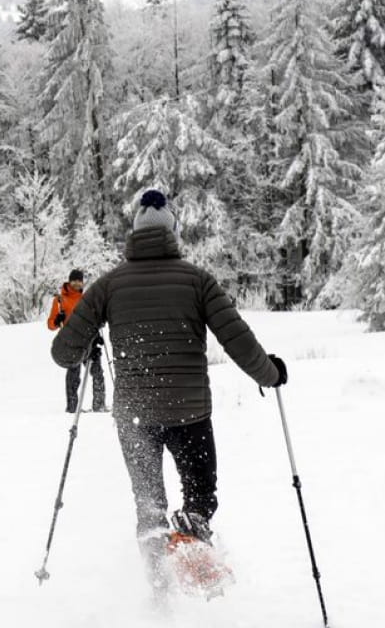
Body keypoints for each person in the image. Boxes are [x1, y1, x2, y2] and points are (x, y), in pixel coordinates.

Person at [49, 189, 287, 589]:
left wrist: (87, 339)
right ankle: (192, 535)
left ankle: (160, 590)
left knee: (148, 505)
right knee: (201, 493)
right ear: (173, 232)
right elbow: (237, 339)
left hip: (135, 416)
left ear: (135, 234)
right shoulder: (197, 281)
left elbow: (62, 352)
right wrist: (270, 374)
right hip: (188, 412)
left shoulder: (108, 286)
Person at [47, 269, 106, 413]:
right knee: (73, 376)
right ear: (69, 281)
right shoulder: (60, 300)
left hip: (89, 341)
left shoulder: (87, 298)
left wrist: (97, 335)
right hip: (71, 343)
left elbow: (94, 320)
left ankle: (99, 405)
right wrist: (57, 320)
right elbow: (50, 325)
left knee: (97, 372)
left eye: (80, 280)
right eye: (74, 280)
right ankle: (72, 408)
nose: (77, 283)